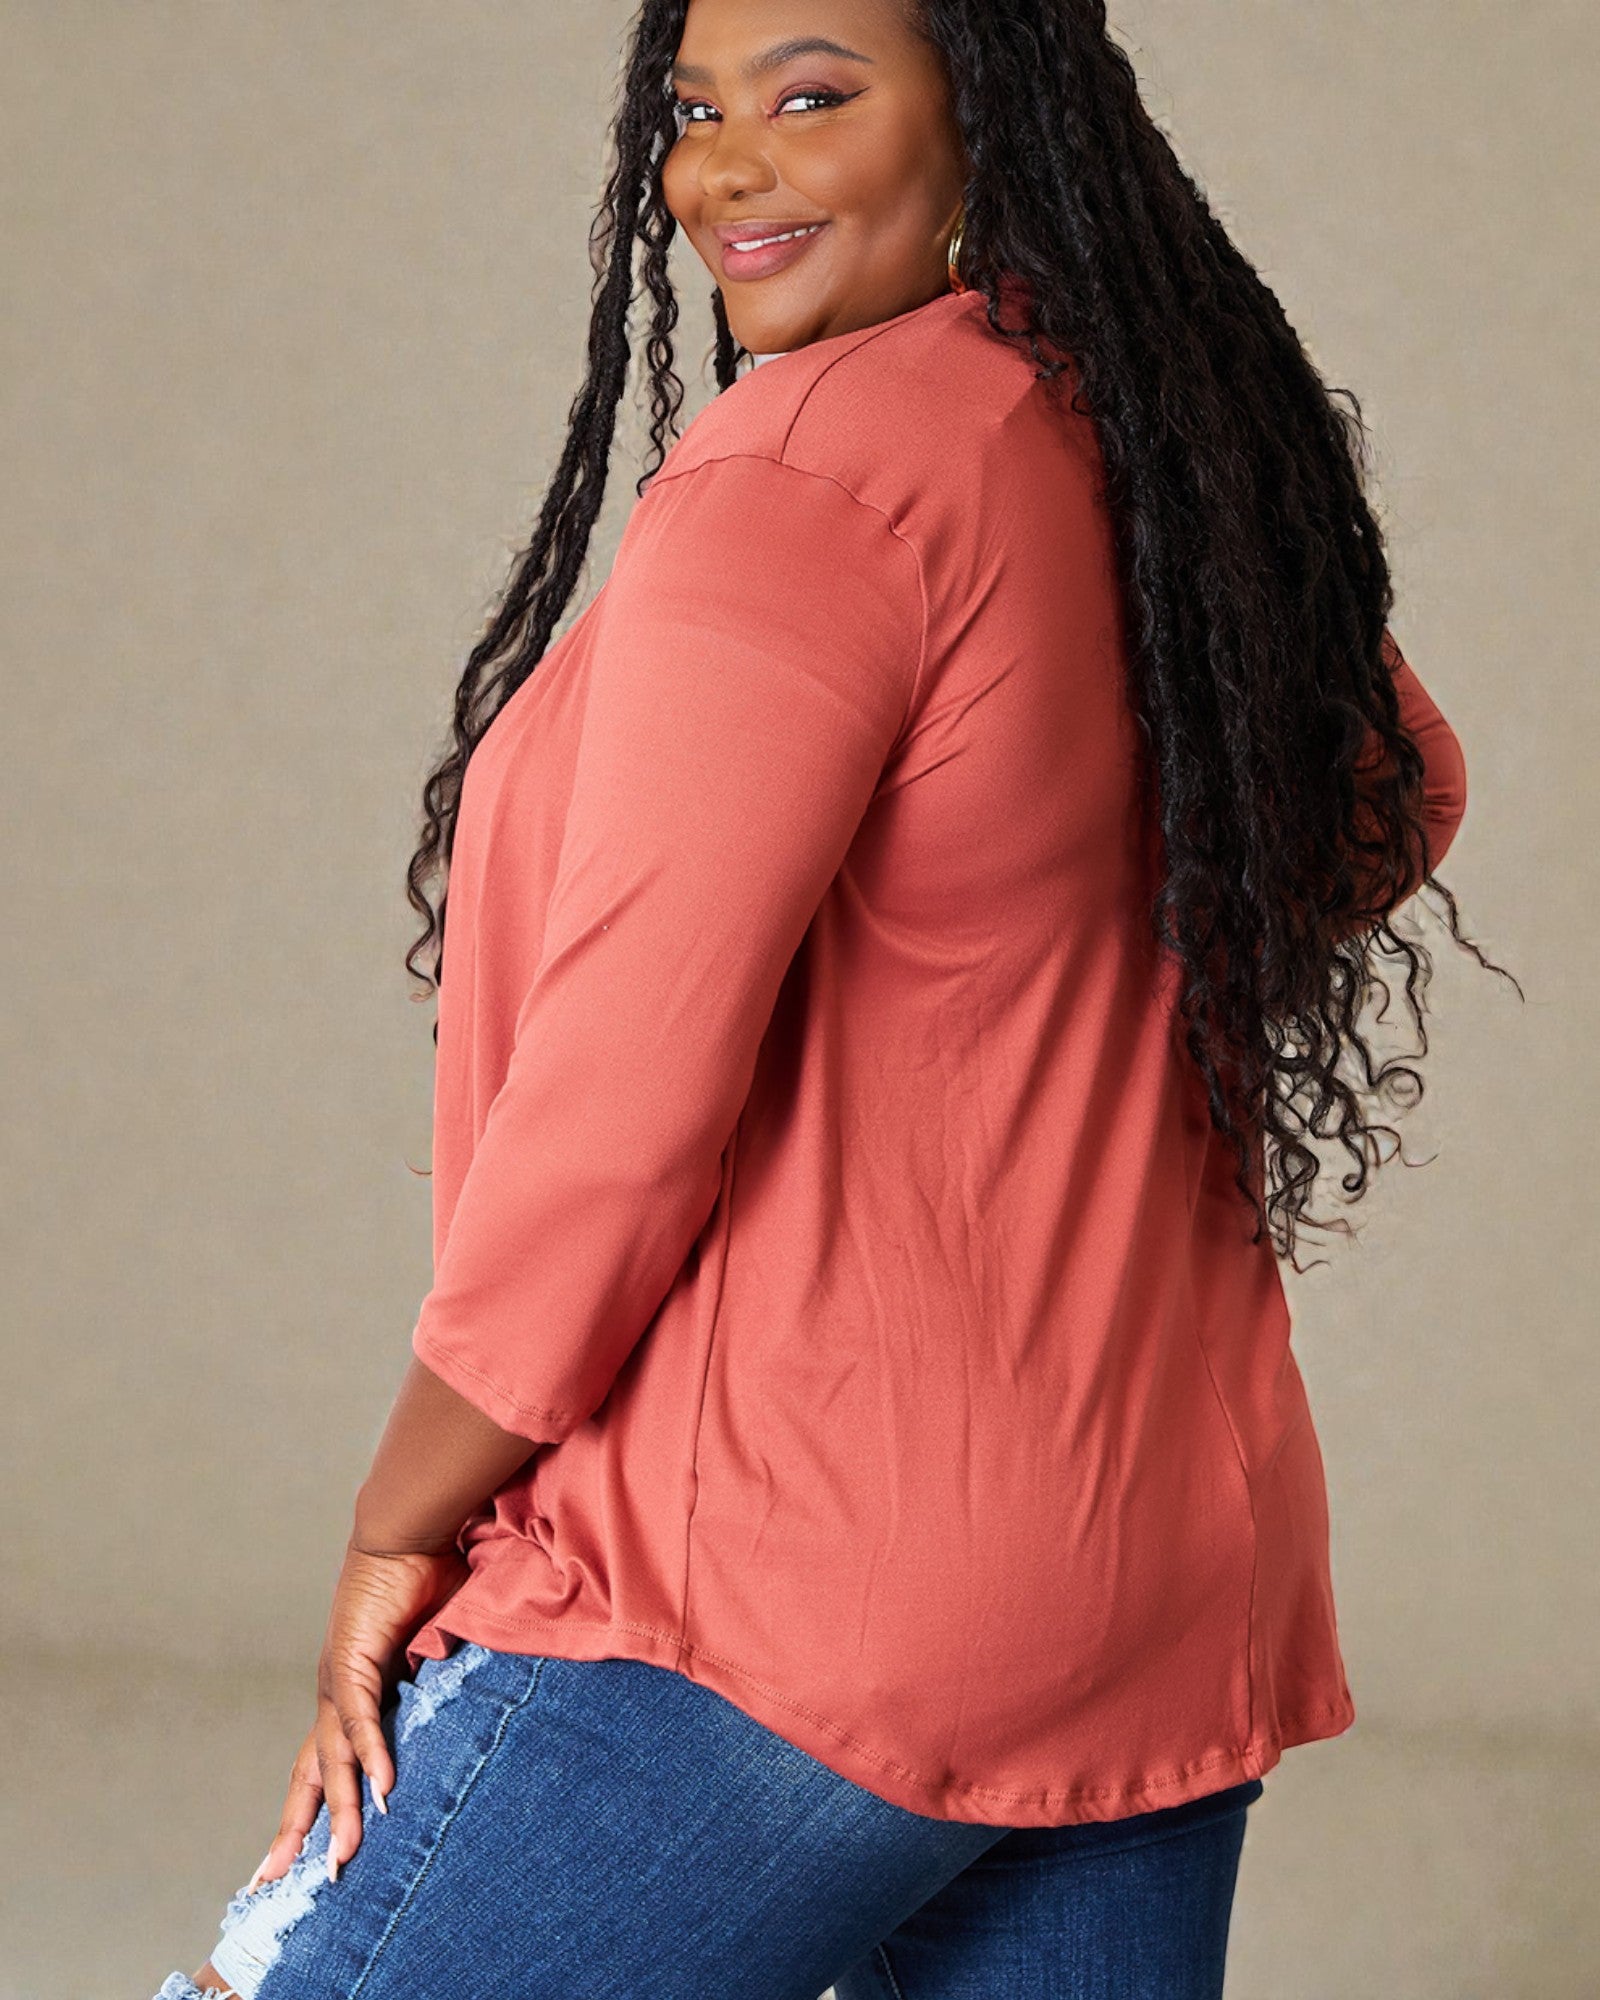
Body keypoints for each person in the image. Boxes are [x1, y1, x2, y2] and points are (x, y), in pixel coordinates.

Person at [158, 1, 1507, 1996]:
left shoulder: (796, 479)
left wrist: (397, 1524)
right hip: (1147, 1562)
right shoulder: (1150, 428)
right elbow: (1386, 797)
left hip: (780, 1593)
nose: (726, 168)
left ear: (993, 109)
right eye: (696, 112)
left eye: (810, 94)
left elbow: (620, 1111)